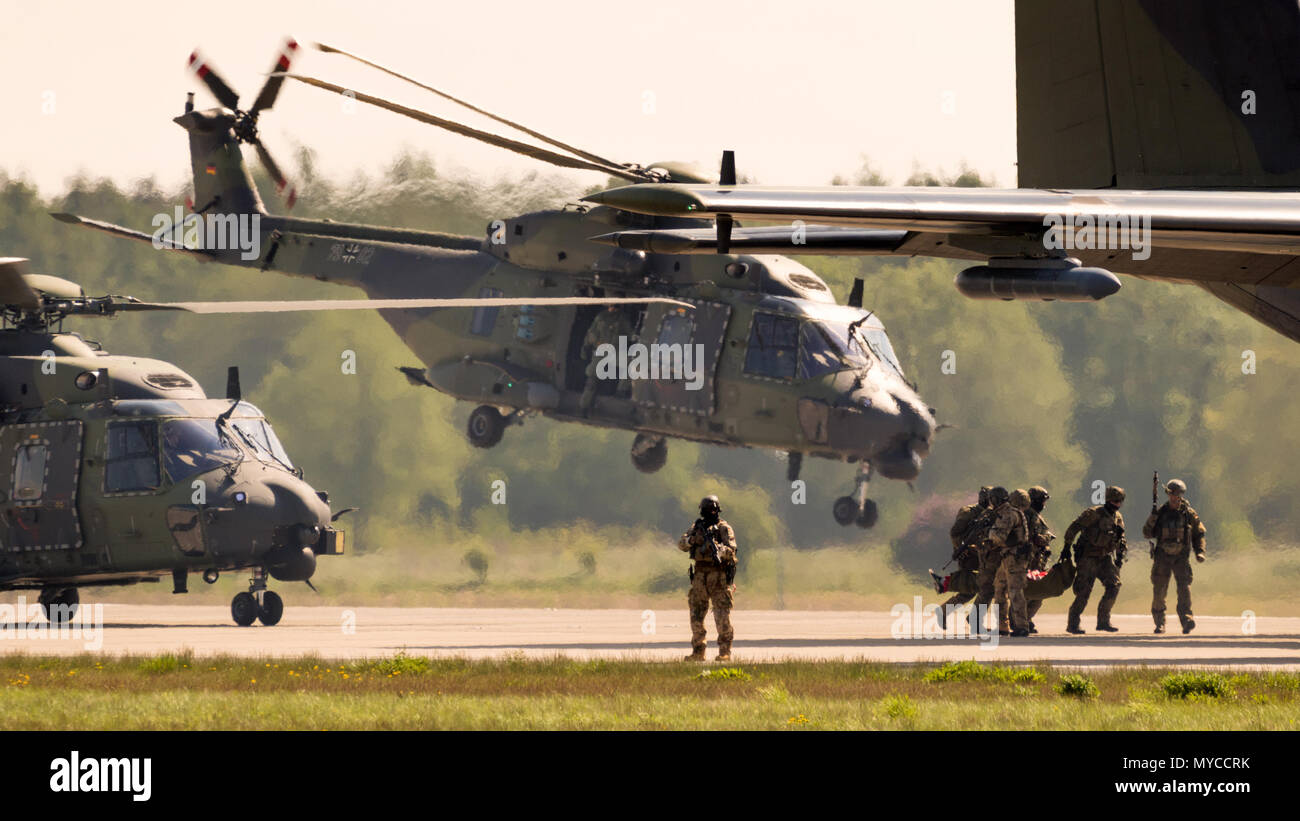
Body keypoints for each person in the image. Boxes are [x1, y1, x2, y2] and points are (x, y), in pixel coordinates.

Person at [678, 495, 739, 661]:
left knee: (721, 617)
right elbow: (681, 543)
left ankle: (724, 652)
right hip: (699, 578)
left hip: (718, 577)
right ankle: (698, 651)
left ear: (717, 510)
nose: (709, 512)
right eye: (706, 510)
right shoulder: (697, 527)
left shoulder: (724, 528)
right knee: (696, 616)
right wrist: (693, 540)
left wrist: (720, 550)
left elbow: (732, 549)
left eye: (712, 509)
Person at [1143, 479, 1207, 634]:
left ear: (1181, 495)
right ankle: (1159, 623)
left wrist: (1200, 551)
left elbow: (1199, 533)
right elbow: (1147, 533)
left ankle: (1186, 620)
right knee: (1159, 591)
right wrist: (1152, 518)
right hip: (1162, 557)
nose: (1174, 497)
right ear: (1167, 494)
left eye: (1177, 494)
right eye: (1171, 493)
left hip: (1181, 558)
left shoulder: (1189, 514)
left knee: (1184, 590)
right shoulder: (1160, 513)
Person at [1062, 486, 1127, 634]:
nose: (1117, 504)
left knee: (1114, 586)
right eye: (1114, 501)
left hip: (1105, 558)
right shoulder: (1093, 514)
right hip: (1088, 557)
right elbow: (1074, 527)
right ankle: (1073, 623)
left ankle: (1103, 621)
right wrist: (1066, 547)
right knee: (1084, 591)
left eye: (1119, 501)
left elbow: (1121, 538)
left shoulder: (1118, 517)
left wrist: (1120, 556)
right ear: (1108, 500)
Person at [935, 486, 991, 628]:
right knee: (975, 588)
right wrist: (960, 549)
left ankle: (944, 611)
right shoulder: (969, 512)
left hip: (983, 553)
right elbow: (955, 533)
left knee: (971, 589)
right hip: (969, 556)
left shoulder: (993, 513)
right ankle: (973, 619)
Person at [990, 488, 1033, 637]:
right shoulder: (1006, 513)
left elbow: (1000, 537)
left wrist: (989, 533)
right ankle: (1002, 625)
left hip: (1015, 559)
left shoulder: (1008, 514)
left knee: (1015, 592)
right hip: (1007, 557)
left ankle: (1022, 626)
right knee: (999, 589)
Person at [580, 305, 634, 414]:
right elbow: (591, 333)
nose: (612, 308)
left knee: (631, 365)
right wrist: (585, 347)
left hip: (616, 352)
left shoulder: (622, 319)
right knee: (592, 380)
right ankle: (584, 407)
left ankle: (621, 391)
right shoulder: (601, 317)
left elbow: (630, 334)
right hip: (601, 350)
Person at [970, 486, 1009, 633]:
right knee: (987, 589)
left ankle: (975, 619)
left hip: (996, 556)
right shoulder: (988, 515)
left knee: (993, 590)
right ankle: (975, 621)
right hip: (989, 556)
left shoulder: (1001, 514)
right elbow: (980, 534)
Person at [1023, 486, 1056, 634]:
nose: (1044, 504)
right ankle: (1020, 620)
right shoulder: (1027, 515)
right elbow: (1032, 537)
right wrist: (1045, 538)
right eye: (1042, 501)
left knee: (1038, 593)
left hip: (1038, 561)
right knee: (1027, 593)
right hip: (1029, 561)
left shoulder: (1035, 515)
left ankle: (1026, 619)